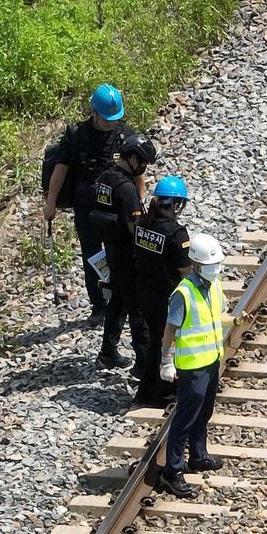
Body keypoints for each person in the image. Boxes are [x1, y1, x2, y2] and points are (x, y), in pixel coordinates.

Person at [157, 233, 246, 497]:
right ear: (195, 265)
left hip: (211, 362)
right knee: (185, 418)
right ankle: (172, 471)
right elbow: (170, 330)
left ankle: (198, 456)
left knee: (204, 412)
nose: (215, 269)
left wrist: (235, 321)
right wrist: (166, 362)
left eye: (217, 265)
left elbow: (216, 317)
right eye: (211, 265)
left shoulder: (214, 285)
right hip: (192, 367)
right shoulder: (183, 293)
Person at [42, 84, 134, 326]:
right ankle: (99, 305)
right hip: (87, 208)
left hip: (117, 207)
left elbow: (138, 172)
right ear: (93, 111)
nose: (111, 123)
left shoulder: (124, 133)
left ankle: (122, 300)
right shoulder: (76, 136)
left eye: (115, 119)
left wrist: (138, 202)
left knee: (121, 253)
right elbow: (60, 170)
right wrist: (50, 203)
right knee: (92, 255)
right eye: (106, 119)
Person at [89, 133, 159, 372]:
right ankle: (144, 364)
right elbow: (133, 227)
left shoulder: (105, 179)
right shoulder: (127, 188)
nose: (144, 168)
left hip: (111, 249)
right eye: (143, 162)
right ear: (133, 158)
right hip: (128, 254)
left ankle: (107, 353)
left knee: (118, 301)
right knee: (137, 308)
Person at [132, 175, 193, 405]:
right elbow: (185, 270)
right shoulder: (176, 234)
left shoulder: (143, 224)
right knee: (166, 343)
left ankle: (146, 392)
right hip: (166, 296)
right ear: (176, 204)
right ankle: (161, 393)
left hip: (143, 291)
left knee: (154, 341)